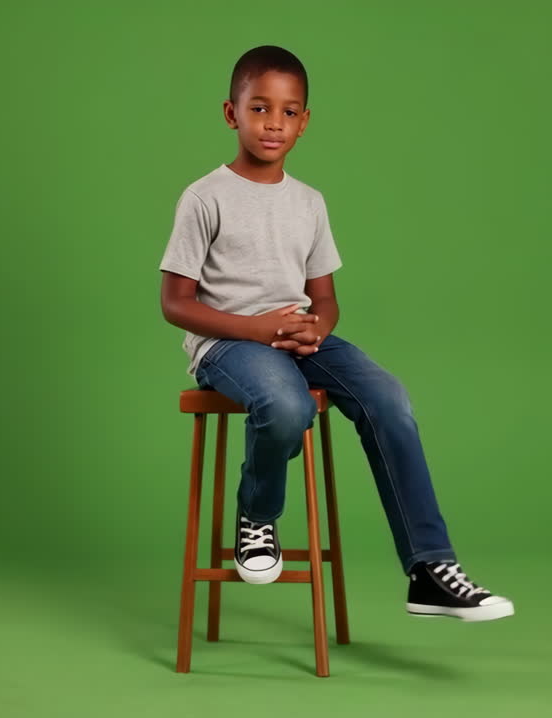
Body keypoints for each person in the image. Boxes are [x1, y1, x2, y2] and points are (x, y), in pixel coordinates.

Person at [158, 45, 513, 622]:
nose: (274, 123)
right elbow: (175, 303)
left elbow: (324, 297)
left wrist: (314, 328)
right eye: (260, 108)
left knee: (389, 398)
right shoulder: (205, 197)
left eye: (289, 112)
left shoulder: (309, 203)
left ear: (305, 120)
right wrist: (256, 327)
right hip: (228, 344)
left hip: (297, 339)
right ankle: (257, 517)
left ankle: (428, 569)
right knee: (284, 403)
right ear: (231, 113)